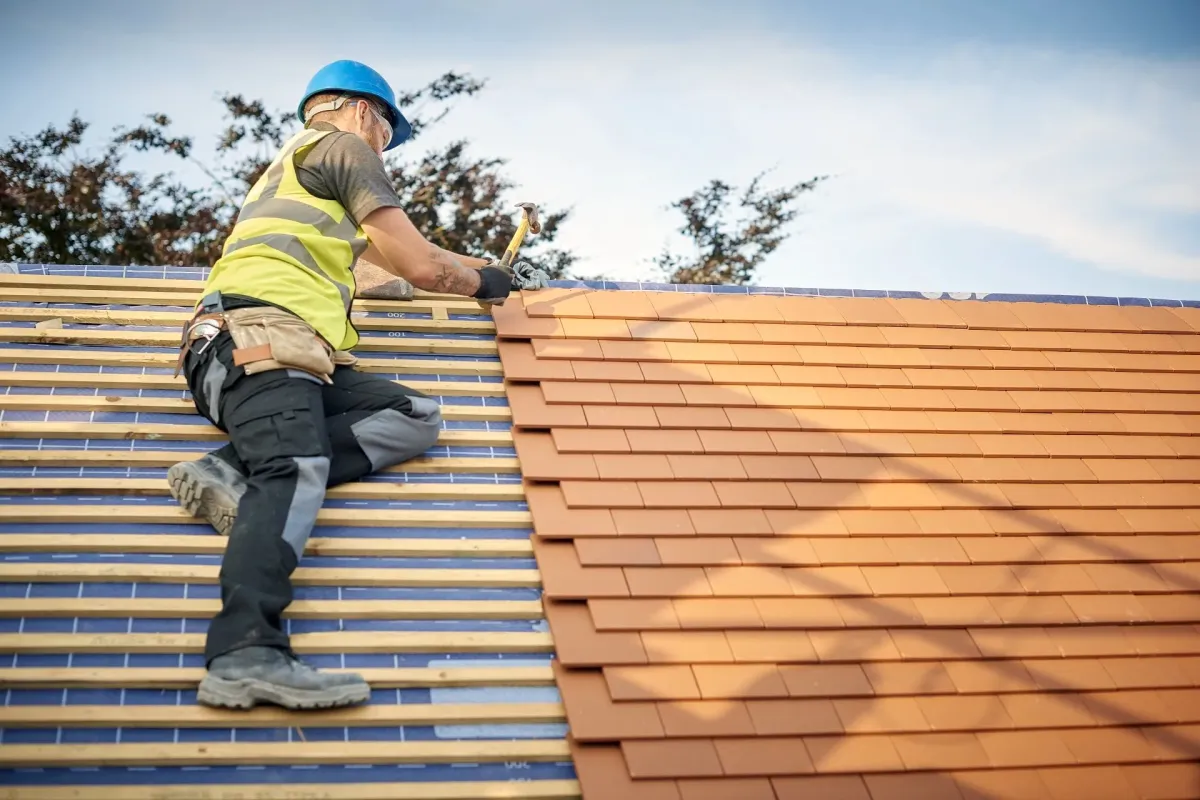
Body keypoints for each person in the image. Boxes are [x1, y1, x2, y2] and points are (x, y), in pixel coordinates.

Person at [167, 59, 545, 711]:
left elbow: (395, 263)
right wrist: (489, 285)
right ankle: (245, 650)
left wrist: (481, 268)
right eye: (386, 135)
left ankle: (229, 469)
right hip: (258, 336)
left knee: (412, 416)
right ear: (362, 110)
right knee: (294, 467)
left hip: (286, 351)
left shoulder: (306, 179)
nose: (383, 150)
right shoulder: (342, 147)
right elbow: (421, 264)